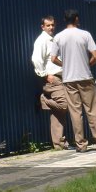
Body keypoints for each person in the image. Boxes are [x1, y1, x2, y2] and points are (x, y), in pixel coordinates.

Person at [51, 9, 96, 152]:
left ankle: (81, 145)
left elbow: (53, 58)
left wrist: (65, 65)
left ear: (65, 20)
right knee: (93, 110)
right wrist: (87, 63)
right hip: (85, 77)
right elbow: (95, 55)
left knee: (75, 112)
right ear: (76, 19)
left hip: (68, 79)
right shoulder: (85, 34)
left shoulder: (58, 37)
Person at [31, 15, 70, 150]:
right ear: (42, 27)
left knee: (58, 113)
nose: (51, 27)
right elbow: (36, 59)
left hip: (61, 78)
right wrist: (45, 75)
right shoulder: (41, 40)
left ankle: (59, 143)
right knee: (64, 105)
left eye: (52, 25)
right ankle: (44, 100)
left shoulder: (53, 39)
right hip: (52, 79)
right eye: (48, 25)